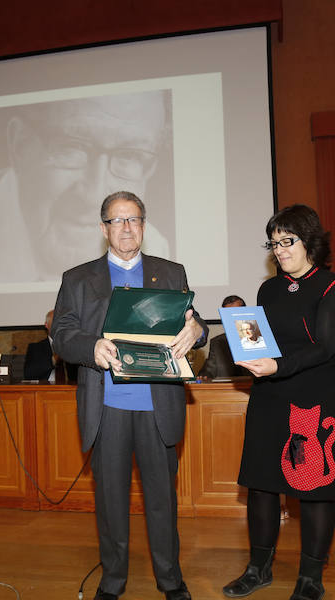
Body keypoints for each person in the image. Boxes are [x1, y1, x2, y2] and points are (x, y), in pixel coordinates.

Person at [52, 191, 207, 600]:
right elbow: (62, 334)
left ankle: (170, 580)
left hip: (158, 407)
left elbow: (195, 322)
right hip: (107, 408)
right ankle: (113, 580)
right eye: (117, 221)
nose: (126, 228)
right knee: (111, 504)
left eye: (134, 219)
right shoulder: (77, 278)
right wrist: (91, 348)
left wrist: (197, 331)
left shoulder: (171, 272)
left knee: (162, 503)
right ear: (104, 228)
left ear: (143, 225)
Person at [222, 205, 335, 600]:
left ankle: (310, 578)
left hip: (312, 399)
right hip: (269, 397)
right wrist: (243, 346)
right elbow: (261, 342)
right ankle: (258, 569)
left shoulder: (332, 286)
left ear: (309, 241)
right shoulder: (268, 288)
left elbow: (325, 347)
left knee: (312, 489)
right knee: (261, 485)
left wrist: (276, 365)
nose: (278, 250)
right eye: (273, 243)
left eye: (286, 241)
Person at [0, 89, 174, 283]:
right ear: (20, 145)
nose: (93, 195)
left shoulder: (159, 255)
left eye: (129, 155)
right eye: (72, 147)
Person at [198, 295, 250, 379]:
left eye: (235, 313)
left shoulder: (258, 339)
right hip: (227, 390)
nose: (232, 318)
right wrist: (205, 375)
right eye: (228, 315)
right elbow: (209, 370)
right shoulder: (217, 342)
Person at [23, 310, 77, 382]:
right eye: (55, 321)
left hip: (69, 389)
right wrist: (53, 360)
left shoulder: (72, 345)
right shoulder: (36, 348)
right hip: (45, 390)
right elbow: (28, 374)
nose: (59, 325)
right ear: (46, 325)